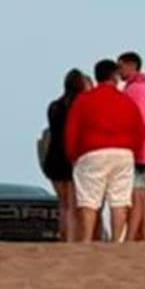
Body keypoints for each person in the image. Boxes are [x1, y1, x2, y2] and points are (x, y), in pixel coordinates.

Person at [64, 59, 145, 243]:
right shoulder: (126, 100)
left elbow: (72, 130)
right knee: (119, 200)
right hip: (123, 152)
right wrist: (133, 151)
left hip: (92, 152)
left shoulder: (84, 100)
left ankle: (87, 239)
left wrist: (73, 155)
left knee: (89, 201)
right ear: (115, 77)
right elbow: (141, 130)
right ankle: (117, 240)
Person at [42, 69, 90, 242]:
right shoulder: (79, 106)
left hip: (53, 156)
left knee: (63, 204)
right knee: (73, 205)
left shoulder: (54, 106)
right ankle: (71, 238)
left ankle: (64, 235)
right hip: (70, 156)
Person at [117, 52, 145, 241]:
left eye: (121, 66)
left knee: (137, 196)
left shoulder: (135, 89)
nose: (119, 71)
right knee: (142, 196)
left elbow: (136, 120)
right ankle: (141, 234)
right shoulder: (142, 87)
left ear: (131, 65)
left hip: (139, 149)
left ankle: (133, 235)